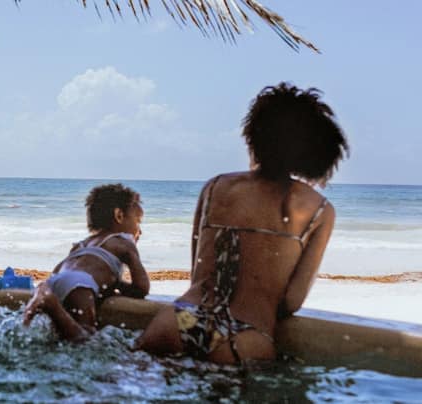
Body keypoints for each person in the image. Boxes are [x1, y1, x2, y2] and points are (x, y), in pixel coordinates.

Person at [134, 83, 349, 365]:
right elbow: (290, 302)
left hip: (179, 319)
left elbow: (199, 274)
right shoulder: (319, 210)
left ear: (254, 135)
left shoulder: (215, 188)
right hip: (243, 338)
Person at [23, 183, 150, 341]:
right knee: (85, 338)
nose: (140, 230)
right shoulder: (123, 243)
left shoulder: (80, 245)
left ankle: (48, 299)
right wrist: (116, 285)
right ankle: (51, 304)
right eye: (138, 221)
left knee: (59, 337)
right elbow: (141, 288)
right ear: (119, 215)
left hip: (55, 281)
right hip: (81, 284)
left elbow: (66, 270)